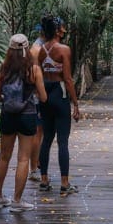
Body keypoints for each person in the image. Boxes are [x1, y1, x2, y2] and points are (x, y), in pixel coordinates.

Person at [0, 33, 48, 213]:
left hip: (8, 115)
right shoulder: (34, 69)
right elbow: (44, 97)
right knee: (23, 158)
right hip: (27, 115)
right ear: (26, 48)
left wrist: (8, 99)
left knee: (4, 157)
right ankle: (17, 201)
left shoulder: (4, 68)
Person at [36, 16, 81, 196]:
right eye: (62, 27)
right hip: (59, 93)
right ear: (57, 30)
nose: (64, 29)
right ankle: (64, 183)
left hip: (45, 94)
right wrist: (75, 103)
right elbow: (68, 79)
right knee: (62, 140)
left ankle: (44, 180)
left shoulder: (40, 51)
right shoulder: (64, 49)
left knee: (46, 138)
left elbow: (38, 74)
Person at [27, 23, 45, 182]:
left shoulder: (42, 47)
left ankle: (37, 162)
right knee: (36, 134)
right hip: (36, 98)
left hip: (38, 96)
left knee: (40, 133)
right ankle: (33, 169)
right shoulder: (36, 49)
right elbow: (35, 74)